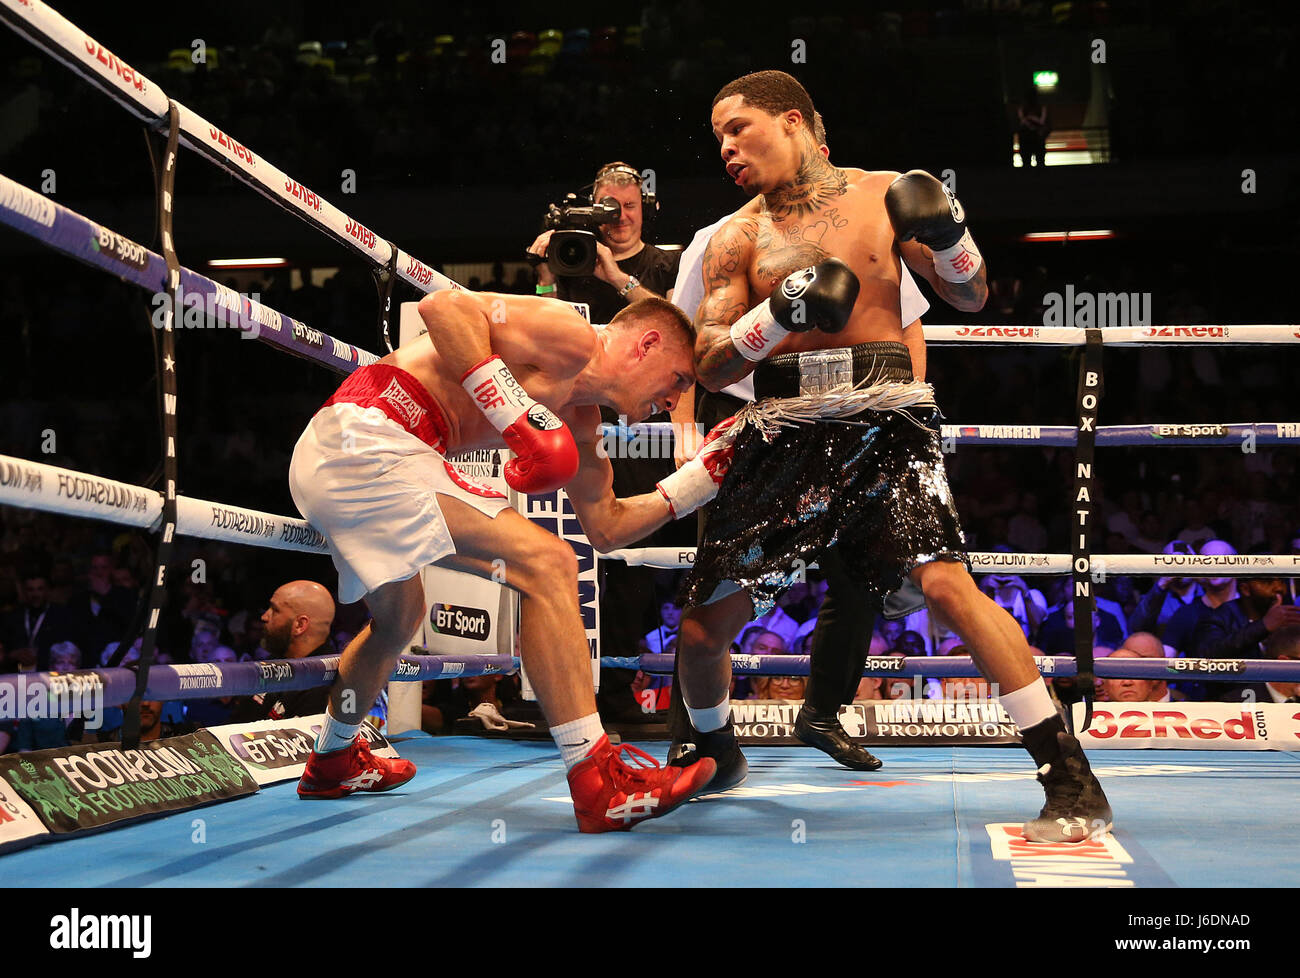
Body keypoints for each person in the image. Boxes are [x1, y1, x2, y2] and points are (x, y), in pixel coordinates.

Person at [669, 70, 1110, 843]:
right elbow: (709, 362)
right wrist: (777, 316)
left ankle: (1065, 771)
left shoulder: (886, 194)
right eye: (718, 140)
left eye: (739, 128)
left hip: (886, 416)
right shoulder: (735, 236)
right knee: (704, 631)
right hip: (783, 426)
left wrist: (952, 239)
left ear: (796, 121)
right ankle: (713, 745)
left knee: (945, 584)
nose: (728, 149)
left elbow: (971, 297)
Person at [288, 291, 719, 831]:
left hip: (378, 454)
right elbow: (444, 308)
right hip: (368, 434)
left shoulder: (581, 423)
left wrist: (703, 477)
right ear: (647, 344)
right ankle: (596, 779)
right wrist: (515, 416)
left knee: (399, 619)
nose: (676, 401)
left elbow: (607, 528)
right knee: (550, 563)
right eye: (679, 380)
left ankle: (331, 760)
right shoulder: (569, 332)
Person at [665, 109, 931, 774]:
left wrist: (908, 413)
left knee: (862, 575)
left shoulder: (867, 212)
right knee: (719, 585)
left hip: (861, 424)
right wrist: (684, 431)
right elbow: (690, 351)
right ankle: (693, 730)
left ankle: (822, 711)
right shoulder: (720, 240)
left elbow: (908, 325)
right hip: (769, 429)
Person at [229, 581, 338, 723]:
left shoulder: (326, 689)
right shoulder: (275, 660)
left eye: (274, 610)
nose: (264, 617)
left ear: (299, 625)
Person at [1126, 540, 1203, 639]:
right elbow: (1136, 629)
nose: (1181, 565)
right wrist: (1162, 583)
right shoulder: (1155, 599)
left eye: (1186, 560)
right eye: (1172, 561)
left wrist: (1201, 573)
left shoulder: (1209, 592)